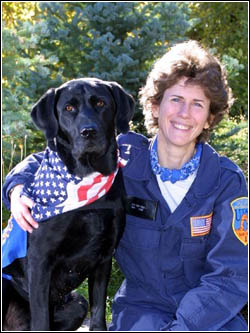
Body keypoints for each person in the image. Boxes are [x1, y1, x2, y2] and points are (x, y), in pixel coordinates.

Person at [2, 40, 248, 331]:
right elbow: (48, 159)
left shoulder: (226, 182)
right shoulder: (123, 160)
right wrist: (16, 188)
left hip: (209, 316)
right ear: (155, 106)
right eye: (176, 100)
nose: (184, 113)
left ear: (210, 117)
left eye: (198, 104)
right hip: (142, 313)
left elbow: (231, 275)